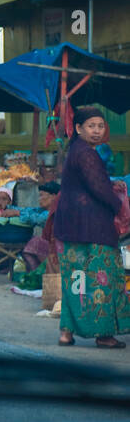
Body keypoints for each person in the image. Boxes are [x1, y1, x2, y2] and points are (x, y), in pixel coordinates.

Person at [55, 106, 130, 348]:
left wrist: (110, 183)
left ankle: (66, 332)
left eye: (100, 126)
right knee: (103, 280)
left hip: (71, 227)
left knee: (75, 281)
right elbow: (98, 189)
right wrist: (120, 208)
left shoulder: (77, 151)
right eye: (91, 126)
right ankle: (104, 334)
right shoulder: (87, 153)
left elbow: (91, 182)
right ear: (78, 128)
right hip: (92, 228)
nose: (97, 131)